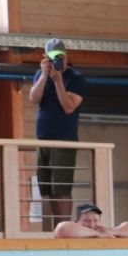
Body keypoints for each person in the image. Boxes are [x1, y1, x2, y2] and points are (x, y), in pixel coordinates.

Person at [30, 38, 86, 228]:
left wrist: (58, 82)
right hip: (43, 137)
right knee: (48, 187)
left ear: (67, 56)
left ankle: (64, 226)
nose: (57, 61)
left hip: (64, 138)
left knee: (61, 187)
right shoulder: (40, 74)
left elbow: (69, 107)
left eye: (60, 57)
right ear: (45, 58)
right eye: (52, 57)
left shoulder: (76, 78)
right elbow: (33, 98)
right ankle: (56, 226)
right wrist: (45, 76)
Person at [53, 202, 128, 238]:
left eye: (95, 221)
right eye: (86, 220)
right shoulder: (70, 232)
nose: (92, 225)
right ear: (76, 221)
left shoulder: (105, 232)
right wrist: (97, 234)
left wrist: (113, 232)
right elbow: (62, 229)